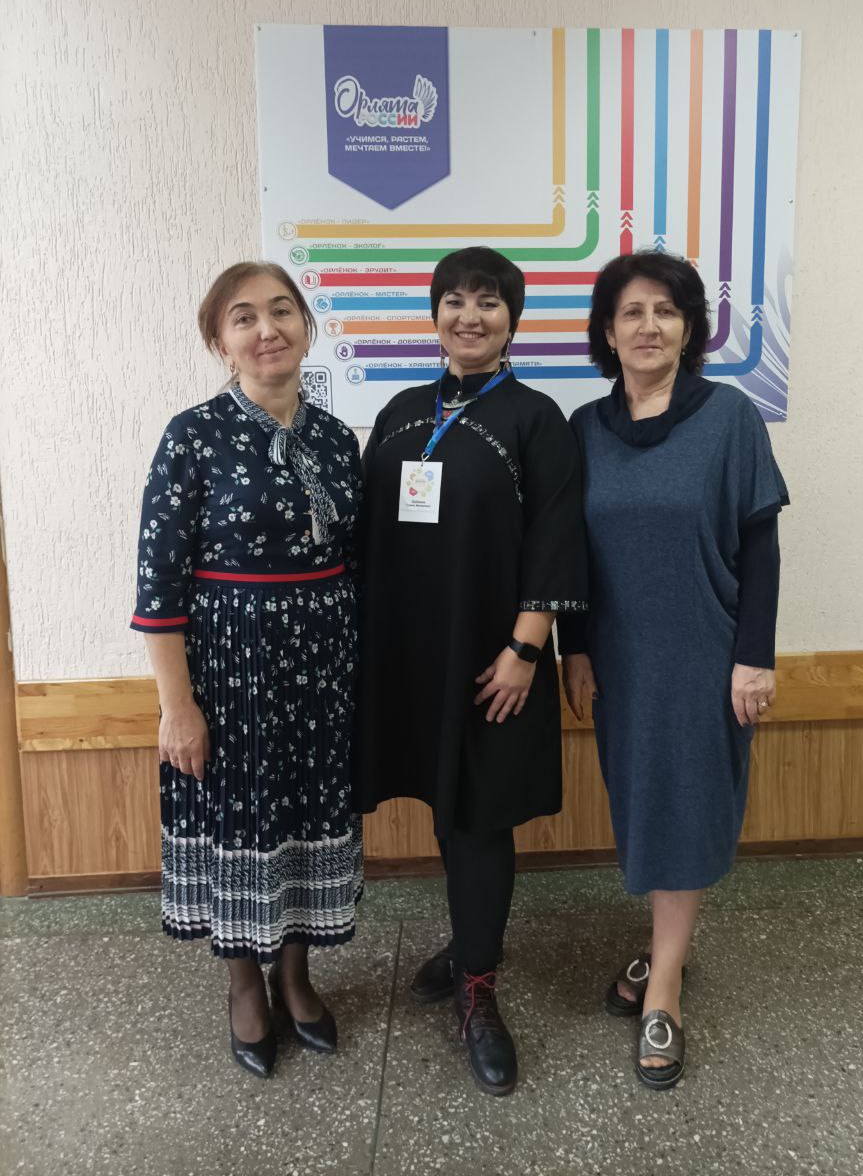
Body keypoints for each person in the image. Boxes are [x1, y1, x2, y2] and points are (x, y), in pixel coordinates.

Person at [355, 246, 587, 1096]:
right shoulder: (400, 412)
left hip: (495, 661)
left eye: (487, 301)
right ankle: (469, 941)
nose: (469, 316)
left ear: (511, 319)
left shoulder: (537, 418)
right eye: (453, 300)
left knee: (480, 816)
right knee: (442, 800)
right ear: (434, 316)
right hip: (409, 654)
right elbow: (369, 532)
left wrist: (525, 650)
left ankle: (479, 991)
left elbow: (558, 538)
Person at [560, 250, 788, 1090]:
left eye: (666, 310)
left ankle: (664, 986)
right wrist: (573, 648)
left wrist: (753, 657)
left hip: (704, 654)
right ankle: (664, 948)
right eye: (631, 312)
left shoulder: (728, 417)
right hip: (619, 659)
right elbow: (566, 554)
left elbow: (759, 546)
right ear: (607, 332)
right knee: (644, 804)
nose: (648, 325)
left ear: (689, 329)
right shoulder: (584, 429)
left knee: (688, 809)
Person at [131, 261, 363, 1079]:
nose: (267, 329)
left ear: (305, 326)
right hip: (229, 671)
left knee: (301, 818)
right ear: (219, 342)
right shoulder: (191, 436)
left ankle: (295, 976)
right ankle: (242, 986)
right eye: (244, 317)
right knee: (239, 824)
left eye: (282, 311)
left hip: (321, 668)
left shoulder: (336, 439)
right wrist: (177, 706)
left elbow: (358, 562)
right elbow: (158, 584)